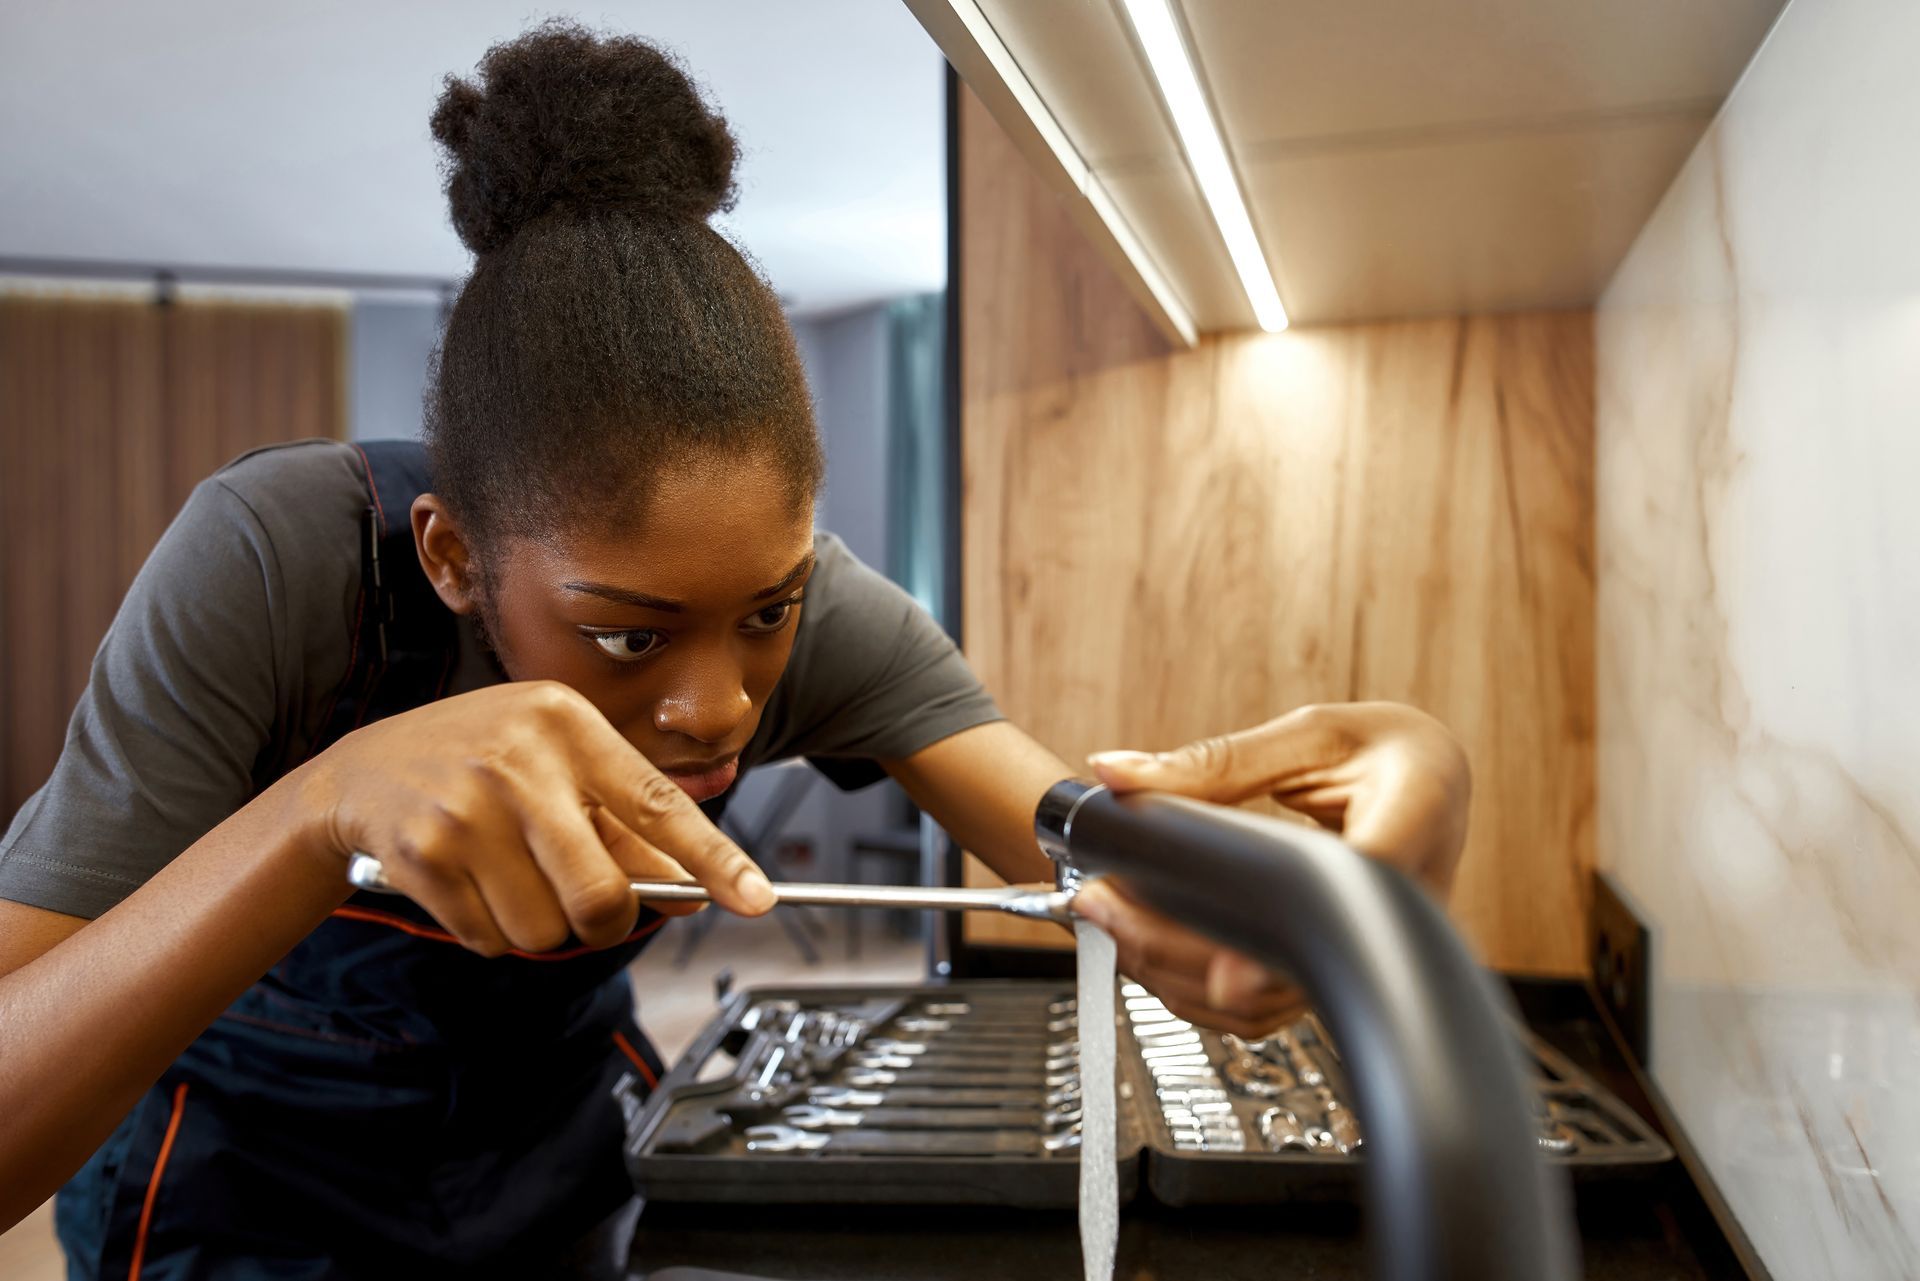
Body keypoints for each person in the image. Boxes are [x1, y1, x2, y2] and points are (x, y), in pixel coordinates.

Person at [0, 23, 1470, 1279]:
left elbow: (1114, 882)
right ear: (452, 556)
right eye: (624, 634)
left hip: (555, 1156)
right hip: (241, 1180)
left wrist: (1325, 874)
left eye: (765, 613)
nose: (716, 706)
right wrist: (321, 813)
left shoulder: (816, 619)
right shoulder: (280, 568)